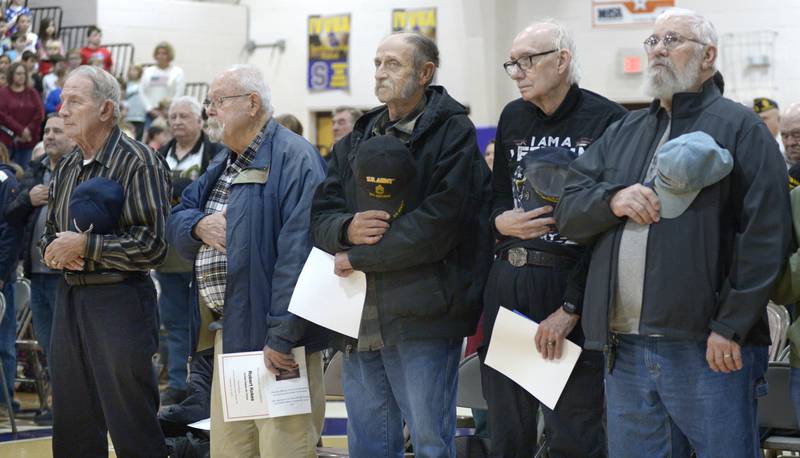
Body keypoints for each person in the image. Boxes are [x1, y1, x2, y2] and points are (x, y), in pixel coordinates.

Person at [555, 8, 791, 457]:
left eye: (673, 40)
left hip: (707, 346)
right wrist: (612, 200)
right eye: (653, 40)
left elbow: (767, 237)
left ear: (709, 57)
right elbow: (568, 210)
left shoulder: (740, 128)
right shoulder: (625, 130)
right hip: (623, 347)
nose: (659, 49)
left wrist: (730, 325)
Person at [311, 32, 492, 457]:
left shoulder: (454, 133)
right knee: (370, 444)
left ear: (425, 72)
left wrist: (357, 254)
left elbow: (438, 228)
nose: (380, 72)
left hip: (425, 313)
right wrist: (345, 228)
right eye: (377, 63)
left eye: (392, 63)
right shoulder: (360, 133)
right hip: (360, 312)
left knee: (430, 442)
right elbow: (320, 213)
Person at [481, 20, 627, 458]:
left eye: (528, 60)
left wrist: (572, 308)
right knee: (508, 430)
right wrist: (499, 223)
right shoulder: (513, 116)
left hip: (568, 286)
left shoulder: (607, 119)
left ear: (561, 60)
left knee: (573, 433)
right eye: (513, 63)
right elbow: (495, 198)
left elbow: (612, 229)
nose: (519, 71)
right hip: (510, 283)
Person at [166, 64, 328, 458]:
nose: (210, 112)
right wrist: (199, 225)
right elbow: (177, 215)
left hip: (276, 340)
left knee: (284, 447)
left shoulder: (294, 158)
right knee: (232, 449)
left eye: (217, 102)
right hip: (231, 333)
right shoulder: (225, 162)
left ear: (252, 103)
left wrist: (282, 336)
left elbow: (299, 255)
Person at [41, 65, 170, 457]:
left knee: (131, 422)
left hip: (121, 300)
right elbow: (51, 234)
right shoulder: (65, 167)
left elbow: (153, 244)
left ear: (106, 109)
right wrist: (53, 251)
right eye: (63, 100)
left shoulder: (139, 162)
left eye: (75, 101)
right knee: (72, 419)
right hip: (70, 299)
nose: (63, 109)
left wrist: (87, 247)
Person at [4, 114, 74, 425]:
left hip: (67, 275)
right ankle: (58, 405)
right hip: (37, 272)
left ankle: (71, 408)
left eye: (58, 130)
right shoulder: (37, 170)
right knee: (48, 345)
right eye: (47, 131)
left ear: (71, 136)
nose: (50, 136)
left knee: (66, 345)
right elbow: (11, 213)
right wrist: (29, 200)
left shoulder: (79, 169)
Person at [155, 95, 222, 406]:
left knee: (203, 324)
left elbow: (202, 194)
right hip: (167, 254)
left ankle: (204, 385)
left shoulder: (216, 154)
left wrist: (177, 190)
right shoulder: (159, 155)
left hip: (202, 252)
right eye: (173, 117)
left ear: (200, 121)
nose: (177, 122)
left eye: (184, 116)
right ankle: (179, 382)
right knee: (174, 322)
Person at [0, 142, 21, 414]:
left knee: (3, 342)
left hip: (1, 276)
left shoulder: (5, 179)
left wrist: (2, 272)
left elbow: (10, 229)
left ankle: (4, 400)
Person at [0, 61, 44, 169]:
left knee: (27, 171)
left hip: (29, 139)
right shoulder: (3, 92)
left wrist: (28, 130)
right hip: (9, 140)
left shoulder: (32, 92)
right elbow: (3, 115)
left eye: (24, 73)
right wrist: (20, 130)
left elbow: (40, 113)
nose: (22, 76)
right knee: (8, 169)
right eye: (18, 73)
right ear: (11, 75)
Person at [139, 42, 185, 130]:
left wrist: (168, 110)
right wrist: (150, 109)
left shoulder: (177, 72)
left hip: (169, 114)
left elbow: (179, 93)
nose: (161, 56)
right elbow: (142, 91)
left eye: (164, 53)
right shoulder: (148, 71)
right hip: (150, 114)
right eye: (158, 53)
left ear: (169, 55)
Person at [125, 64, 146, 140]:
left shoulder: (143, 84)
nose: (133, 72)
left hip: (140, 116)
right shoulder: (126, 84)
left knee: (138, 138)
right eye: (131, 70)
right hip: (128, 115)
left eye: (135, 70)